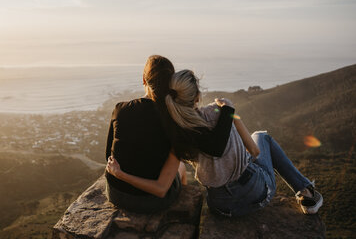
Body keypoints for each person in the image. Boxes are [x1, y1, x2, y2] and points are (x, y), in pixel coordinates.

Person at [106, 69, 323, 216]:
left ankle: (306, 191)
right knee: (263, 136)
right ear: (197, 95)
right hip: (255, 195)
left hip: (220, 206)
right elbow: (255, 151)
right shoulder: (220, 112)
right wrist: (230, 111)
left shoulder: (176, 128)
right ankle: (307, 194)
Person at [105, 56, 236, 213]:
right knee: (180, 166)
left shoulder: (120, 109)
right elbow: (216, 147)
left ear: (144, 80)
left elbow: (109, 155)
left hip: (115, 193)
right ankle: (184, 203)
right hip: (152, 201)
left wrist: (120, 173)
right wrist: (228, 110)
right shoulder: (174, 118)